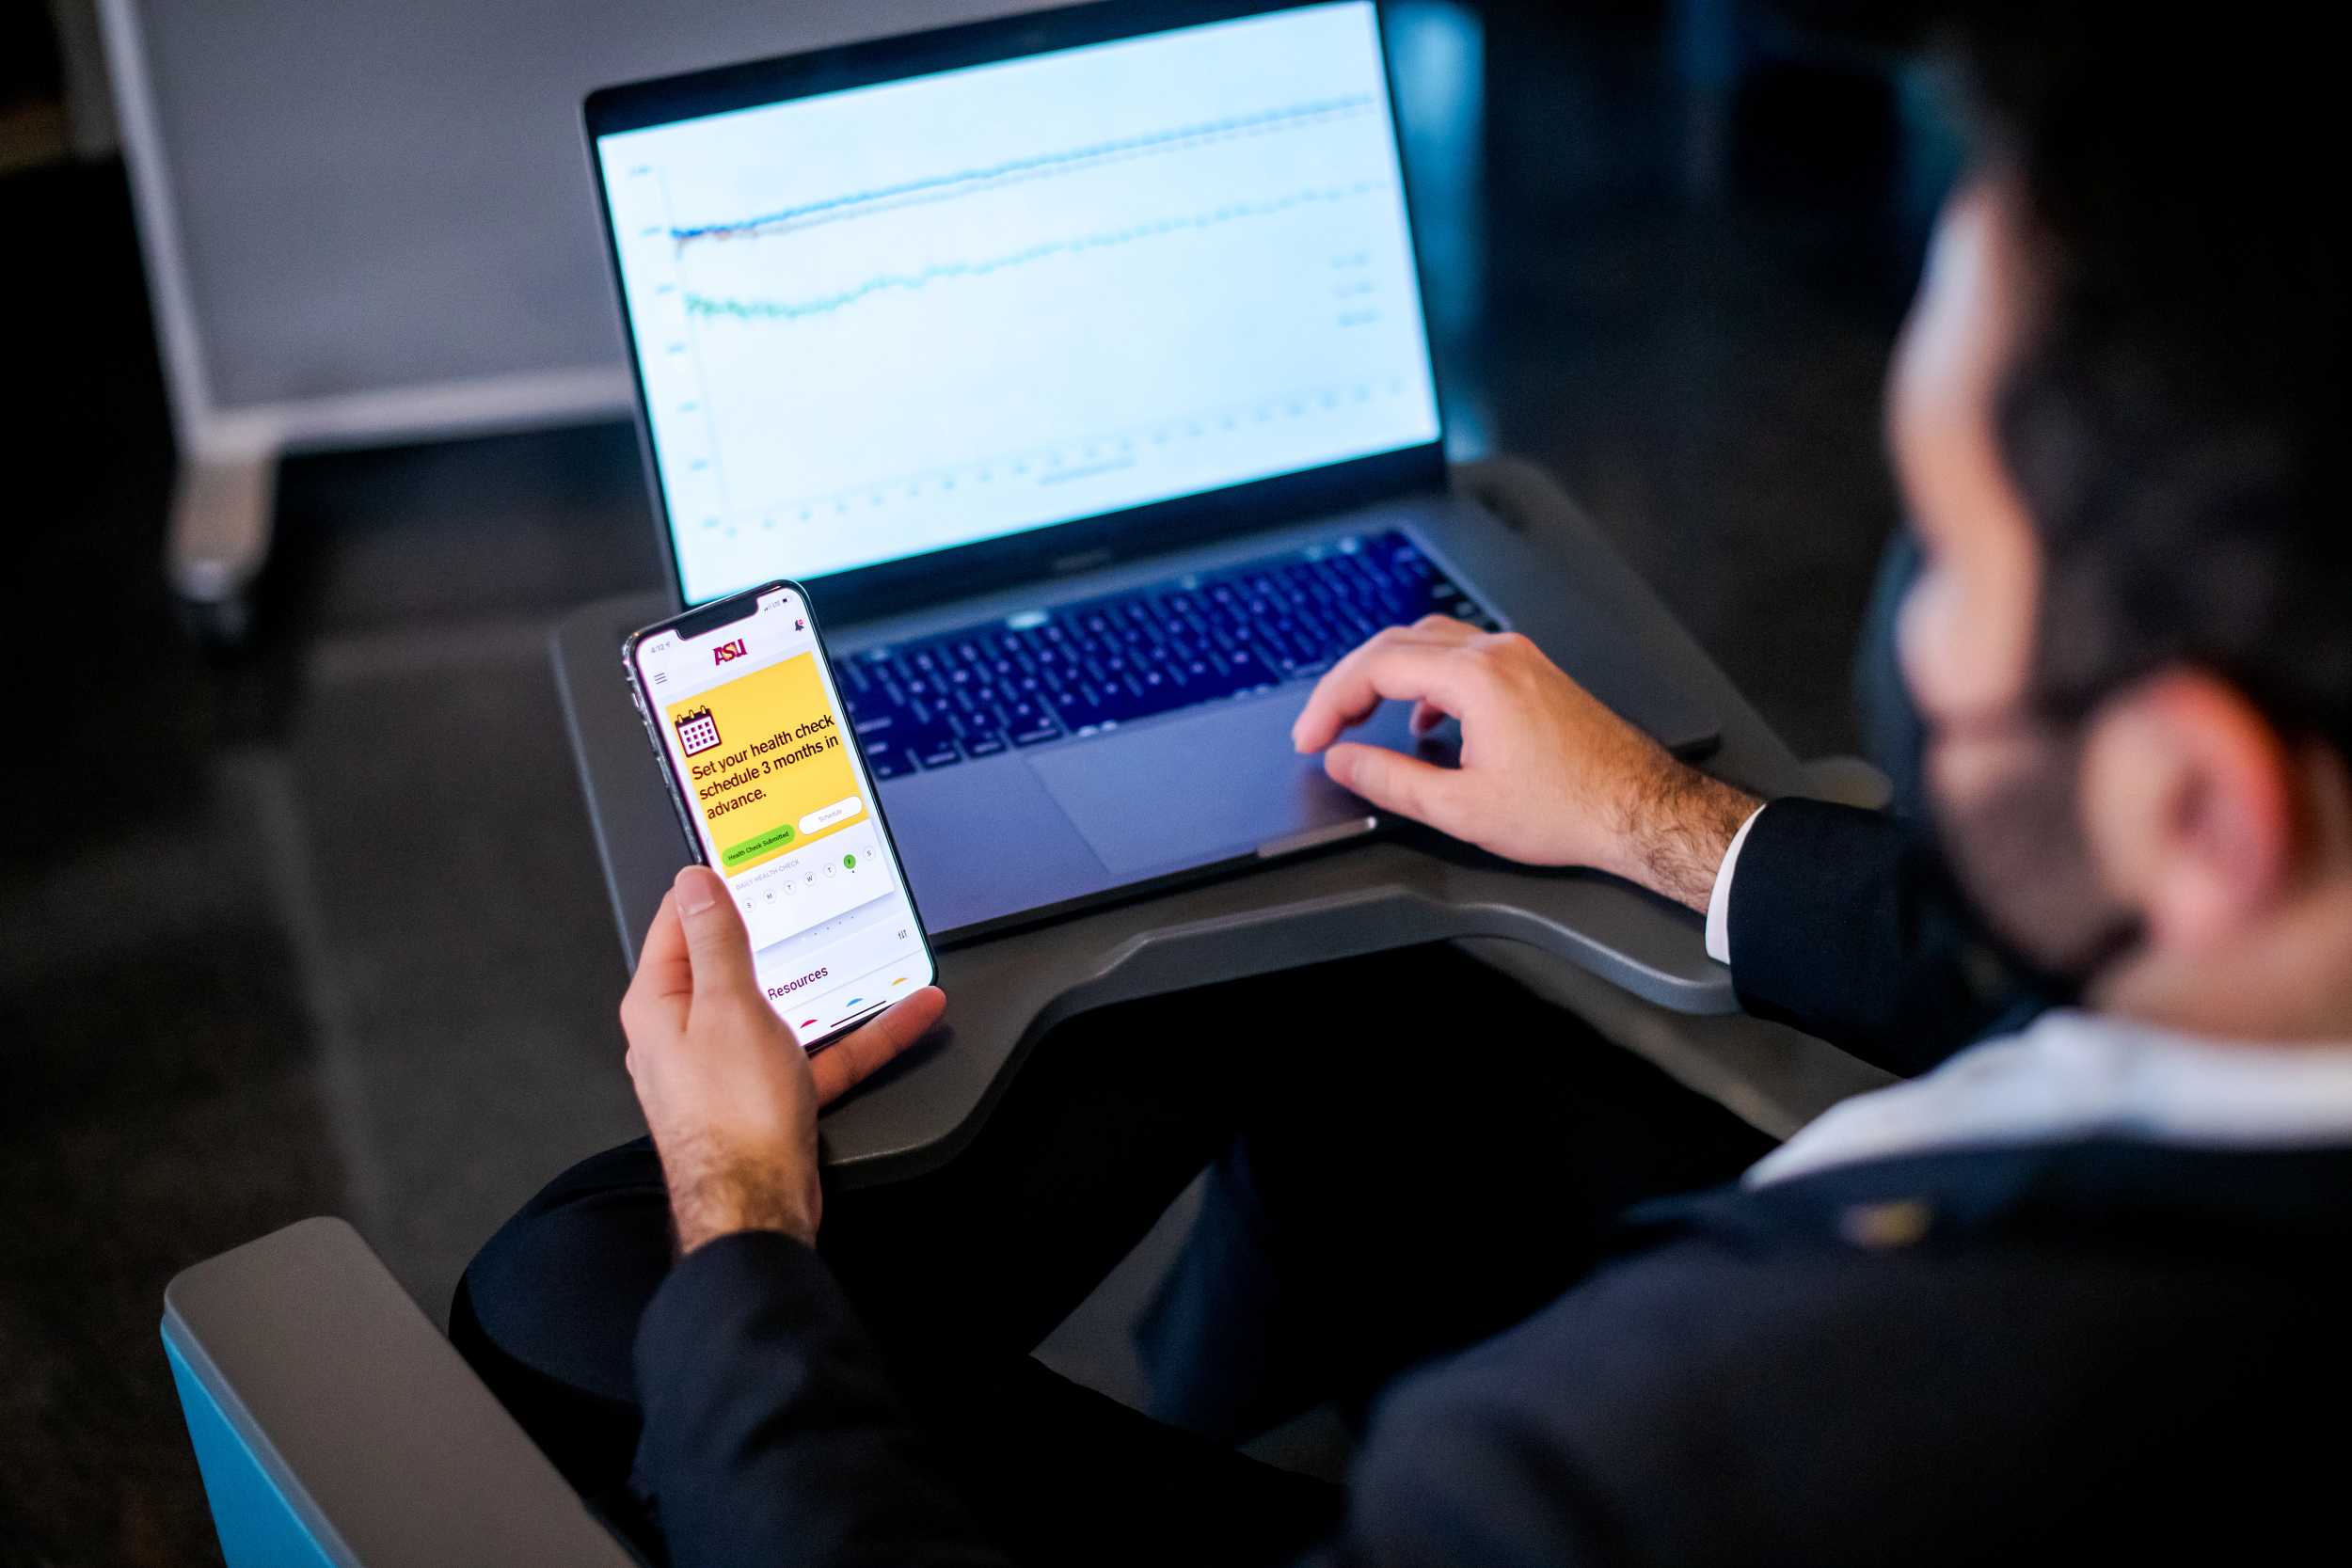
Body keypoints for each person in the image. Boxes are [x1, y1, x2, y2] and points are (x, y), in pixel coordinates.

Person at [458, 5, 2352, 1562]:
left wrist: (734, 1218)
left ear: (2196, 805)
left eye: (1941, 554)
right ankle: (1230, 1371)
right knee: (1363, 960)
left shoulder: (1627, 1471)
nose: (1912, 644)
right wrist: (1651, 819)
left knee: (570, 1301)